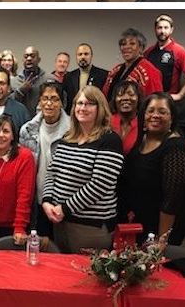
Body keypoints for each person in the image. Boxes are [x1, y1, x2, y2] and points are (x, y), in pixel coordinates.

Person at [42, 86, 123, 253]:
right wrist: (47, 201)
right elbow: (52, 172)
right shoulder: (67, 138)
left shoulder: (110, 140)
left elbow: (99, 185)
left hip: (90, 227)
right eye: (79, 103)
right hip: (60, 222)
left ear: (100, 108)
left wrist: (65, 208)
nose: (82, 108)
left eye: (89, 104)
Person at [119, 92, 185, 243]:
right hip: (141, 222)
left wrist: (162, 239)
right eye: (151, 111)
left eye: (162, 111)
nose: (155, 115)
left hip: (163, 228)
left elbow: (172, 200)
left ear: (172, 118)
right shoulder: (143, 138)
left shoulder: (175, 147)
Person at [20, 81, 70, 238]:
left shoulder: (73, 130)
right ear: (39, 102)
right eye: (45, 98)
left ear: (62, 102)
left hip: (63, 199)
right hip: (35, 198)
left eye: (54, 99)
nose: (49, 103)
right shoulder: (27, 130)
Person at [0, 116, 36, 248]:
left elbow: (25, 195)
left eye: (5, 131)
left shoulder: (24, 157)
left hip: (12, 226)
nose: (0, 135)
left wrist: (20, 227)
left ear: (12, 136)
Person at [144, 14, 185, 102]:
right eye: (159, 28)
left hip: (167, 101)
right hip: (150, 100)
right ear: (155, 29)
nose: (162, 31)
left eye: (166, 28)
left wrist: (180, 95)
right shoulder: (149, 51)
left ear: (171, 30)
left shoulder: (178, 50)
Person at [103, 28, 163, 100]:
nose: (126, 47)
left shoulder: (150, 71)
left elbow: (155, 100)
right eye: (123, 44)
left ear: (141, 47)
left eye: (132, 43)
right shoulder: (115, 70)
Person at [63, 43, 108, 114]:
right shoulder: (68, 77)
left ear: (91, 56)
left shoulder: (103, 75)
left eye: (86, 54)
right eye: (80, 54)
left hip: (96, 117)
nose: (83, 57)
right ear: (76, 57)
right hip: (73, 118)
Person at [11, 46, 54, 117]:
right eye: (26, 56)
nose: (29, 59)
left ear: (39, 59)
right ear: (23, 60)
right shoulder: (13, 82)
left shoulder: (50, 79)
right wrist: (20, 91)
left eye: (32, 56)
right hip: (20, 122)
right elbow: (7, 104)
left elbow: (60, 102)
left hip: (43, 122)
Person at [109, 80, 143, 155]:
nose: (126, 98)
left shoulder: (144, 124)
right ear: (114, 99)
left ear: (138, 98)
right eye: (120, 95)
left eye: (131, 94)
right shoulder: (106, 122)